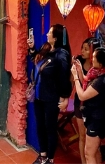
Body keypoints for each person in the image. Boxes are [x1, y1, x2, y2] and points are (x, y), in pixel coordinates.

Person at [28, 24, 72, 164]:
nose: (47, 34)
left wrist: (65, 97)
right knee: (40, 126)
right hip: (39, 96)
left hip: (51, 98)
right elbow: (36, 60)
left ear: (56, 38)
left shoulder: (61, 55)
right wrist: (32, 48)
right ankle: (42, 156)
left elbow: (64, 77)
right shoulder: (46, 48)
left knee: (50, 128)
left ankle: (50, 159)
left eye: (50, 32)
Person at [72, 46, 105, 164]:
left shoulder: (102, 80)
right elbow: (86, 81)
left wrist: (75, 77)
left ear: (100, 63)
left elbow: (82, 96)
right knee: (95, 151)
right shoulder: (96, 72)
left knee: (89, 154)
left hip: (97, 119)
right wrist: (80, 70)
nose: (92, 59)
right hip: (93, 116)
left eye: (94, 57)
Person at [72, 38, 100, 164]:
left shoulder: (101, 66)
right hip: (80, 103)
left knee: (94, 141)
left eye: (86, 49)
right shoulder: (78, 62)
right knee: (82, 136)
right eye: (82, 48)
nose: (82, 51)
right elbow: (72, 82)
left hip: (94, 106)